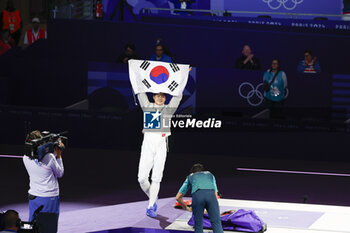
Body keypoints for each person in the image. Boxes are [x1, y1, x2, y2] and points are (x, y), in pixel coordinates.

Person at [137, 92, 182, 218]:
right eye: (158, 96)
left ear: (165, 98)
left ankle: (150, 206)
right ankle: (153, 196)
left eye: (163, 96)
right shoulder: (147, 106)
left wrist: (184, 73)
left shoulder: (168, 110)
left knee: (156, 178)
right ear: (153, 97)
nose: (160, 98)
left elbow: (178, 96)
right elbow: (140, 93)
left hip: (161, 146)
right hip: (147, 146)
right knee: (142, 178)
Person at [23, 130, 64, 228]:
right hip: (49, 197)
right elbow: (60, 173)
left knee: (33, 226)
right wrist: (58, 155)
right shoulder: (49, 157)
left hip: (34, 197)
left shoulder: (25, 157)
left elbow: (42, 166)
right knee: (49, 226)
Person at [176, 164, 223, 233]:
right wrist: (210, 207)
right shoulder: (210, 175)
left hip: (198, 197)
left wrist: (186, 208)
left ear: (192, 172)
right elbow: (215, 194)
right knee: (216, 223)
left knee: (198, 225)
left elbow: (178, 197)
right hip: (211, 197)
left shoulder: (190, 177)